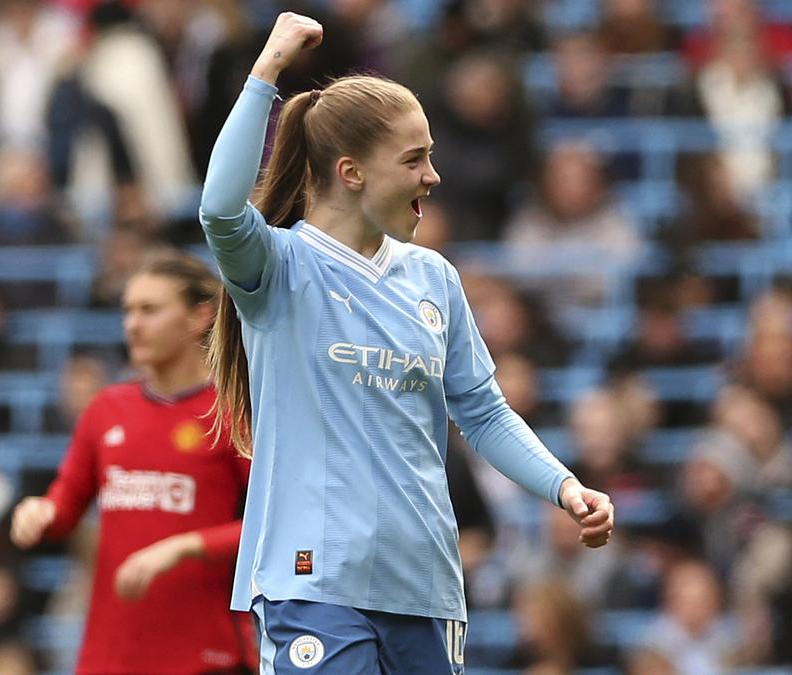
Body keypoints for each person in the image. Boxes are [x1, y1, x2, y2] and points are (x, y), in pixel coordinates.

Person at [199, 12, 614, 673]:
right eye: (415, 158)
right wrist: (267, 70)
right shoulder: (280, 269)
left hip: (424, 586)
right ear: (352, 172)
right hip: (313, 583)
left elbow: (481, 410)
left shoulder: (433, 278)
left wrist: (564, 486)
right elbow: (220, 209)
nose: (433, 176)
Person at [10, 249, 255, 674]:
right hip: (111, 655)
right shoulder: (107, 408)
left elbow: (272, 526)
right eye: (128, 311)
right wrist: (38, 511)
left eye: (150, 310)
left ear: (199, 317)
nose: (132, 325)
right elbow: (65, 503)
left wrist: (181, 548)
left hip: (206, 654)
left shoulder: (231, 411)